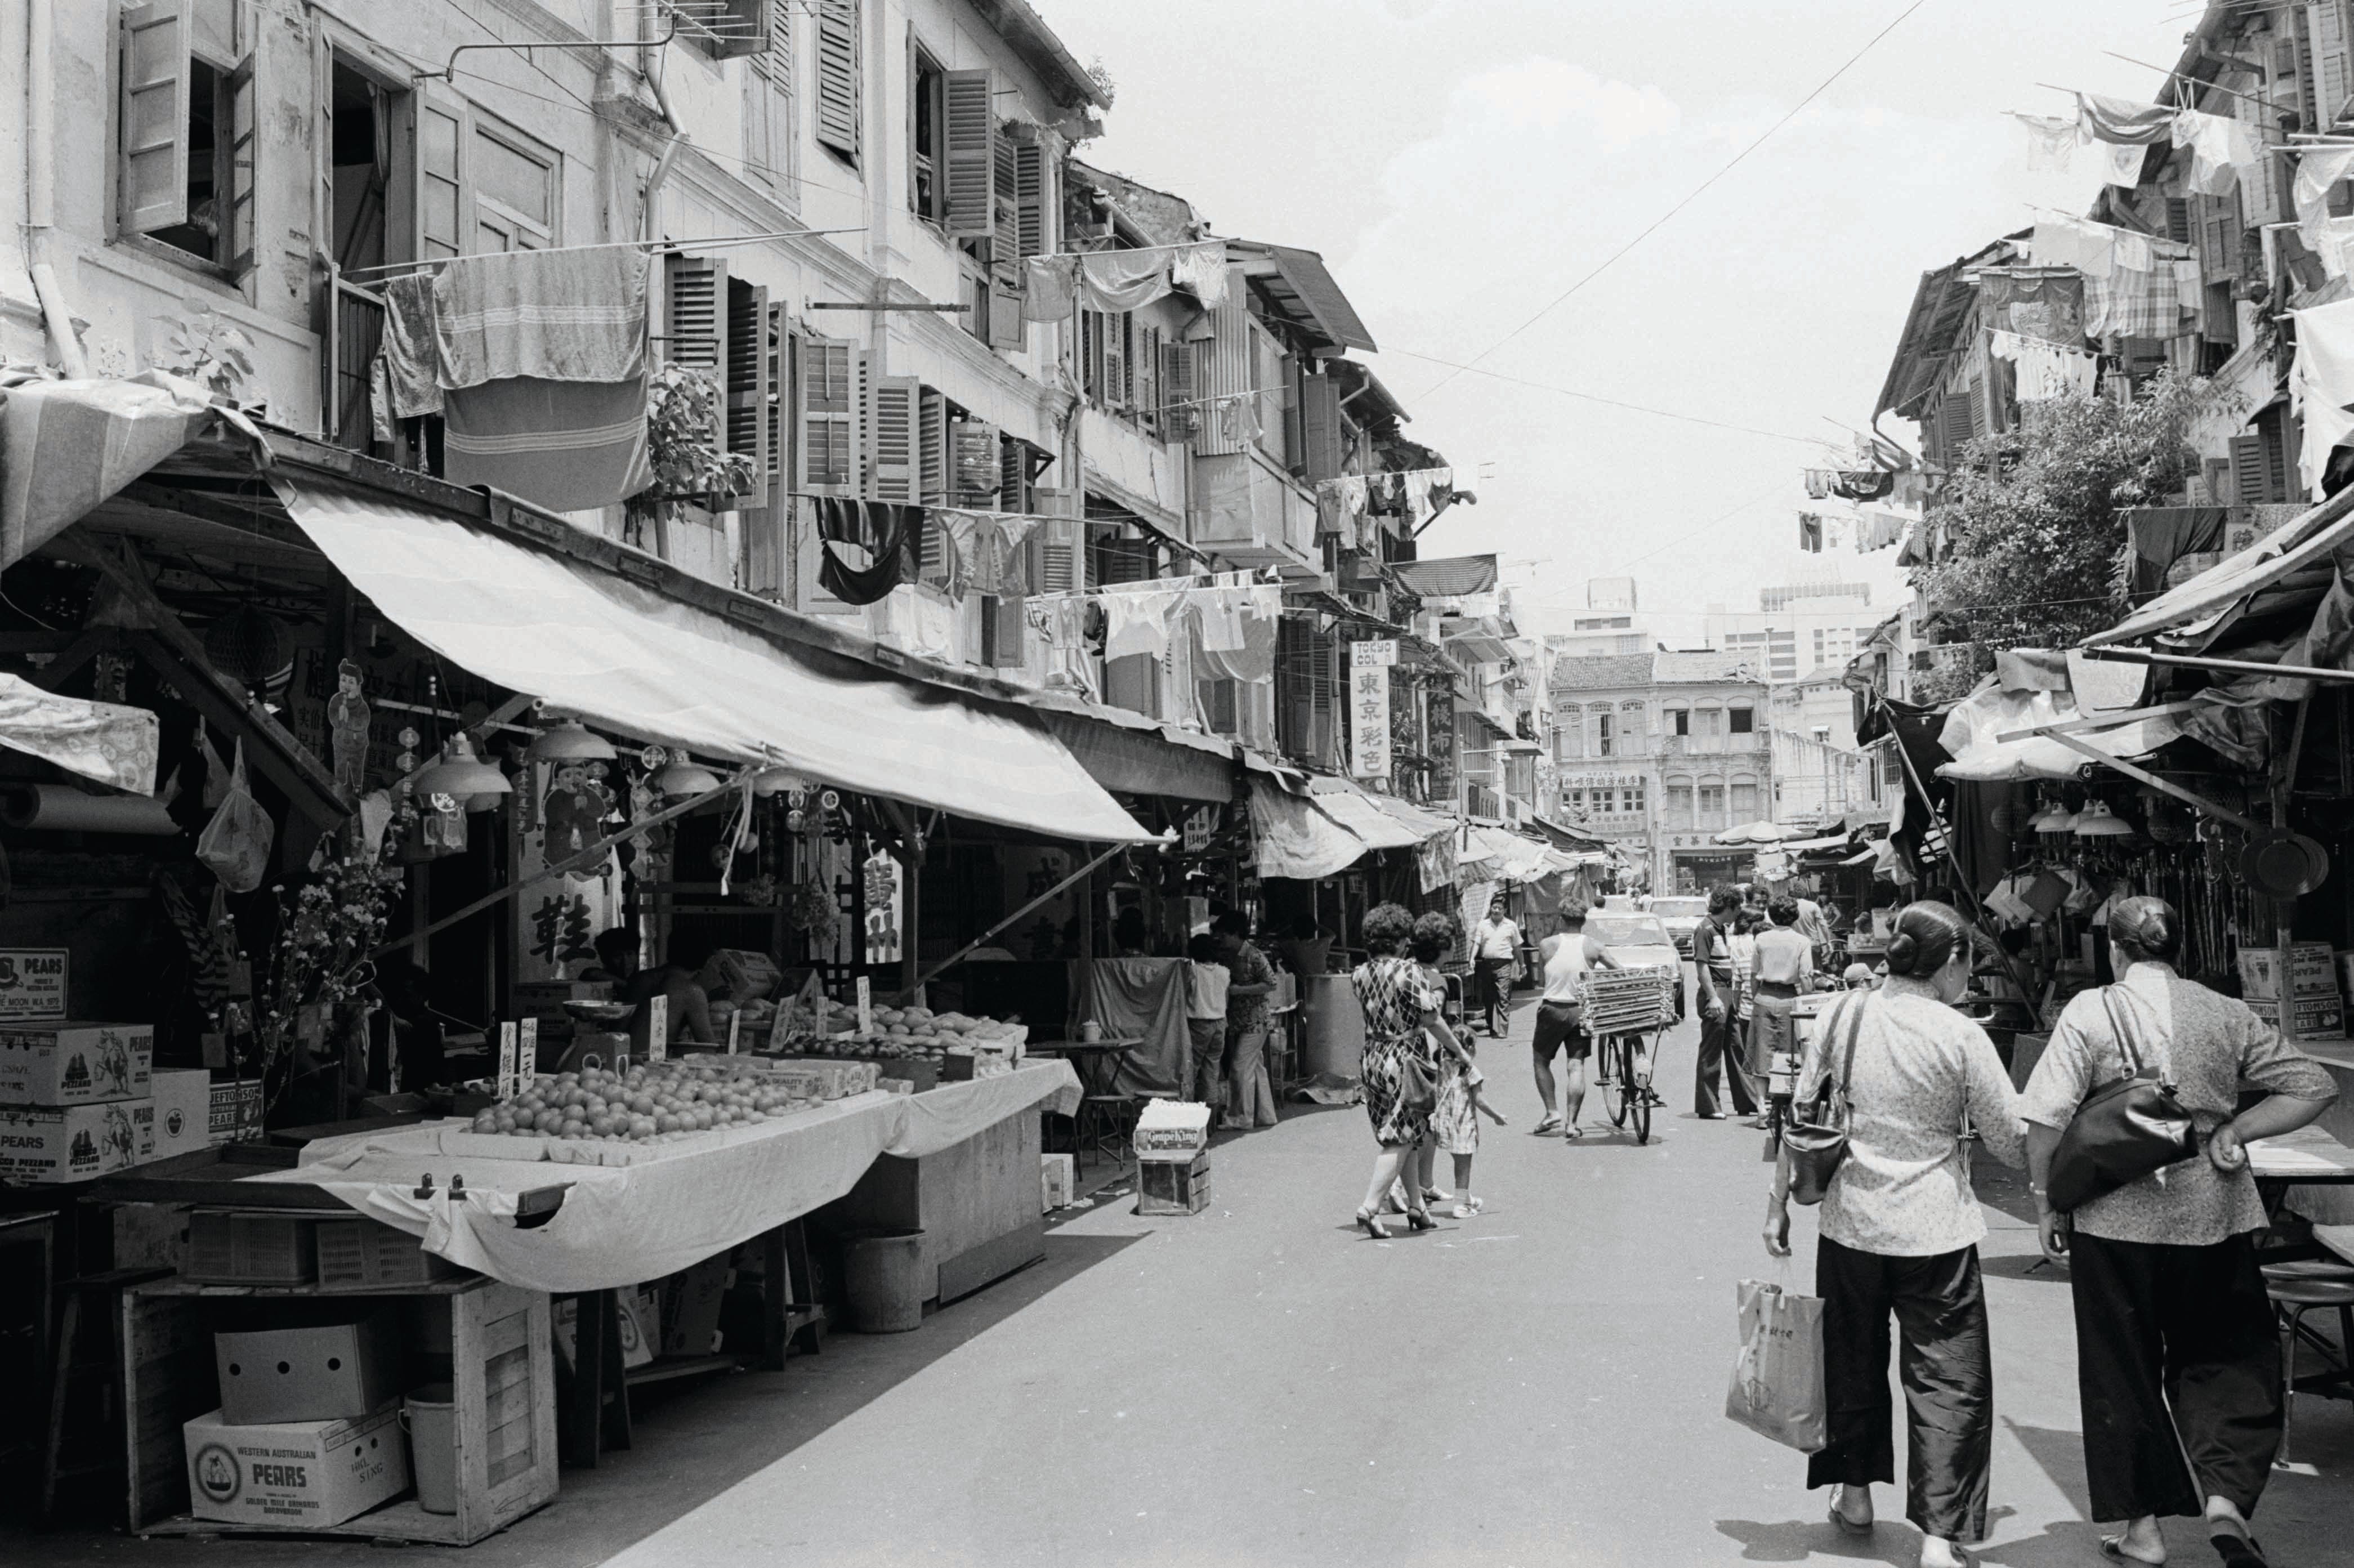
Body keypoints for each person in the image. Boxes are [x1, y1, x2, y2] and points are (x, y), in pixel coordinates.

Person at [2021, 896, 2339, 1568]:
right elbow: (2310, 1084)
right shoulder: (2224, 1010)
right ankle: (2224, 1499)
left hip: (2112, 1221)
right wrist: (2234, 1129)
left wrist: (2045, 1202)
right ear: (2177, 948)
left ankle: (2143, 1530)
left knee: (2120, 1371)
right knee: (2225, 1356)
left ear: (2116, 950)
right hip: (2213, 1216)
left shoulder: (2090, 1010)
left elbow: (2045, 1116)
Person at [1765, 901, 2025, 1568]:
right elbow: (2008, 1137)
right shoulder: (1959, 1033)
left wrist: (1776, 1206)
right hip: (1935, 1228)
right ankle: (1938, 1535)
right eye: (1968, 963)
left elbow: (1800, 1115)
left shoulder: (1840, 1013)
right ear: (1950, 963)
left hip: (1851, 1222)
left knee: (1851, 1360)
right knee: (1947, 1378)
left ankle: (1854, 1496)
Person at [1351, 903, 1472, 1238]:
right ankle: (1370, 1206)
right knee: (1400, 1138)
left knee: (1408, 1134)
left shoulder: (1359, 973)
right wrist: (1459, 1051)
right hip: (1405, 1058)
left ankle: (1417, 1206)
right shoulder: (1408, 973)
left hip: (1372, 1056)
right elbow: (1431, 1018)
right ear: (1402, 940)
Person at [1410, 911, 1507, 1216]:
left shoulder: (1408, 972)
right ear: (1443, 949)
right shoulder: (1438, 981)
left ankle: (1422, 1184)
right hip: (1426, 1061)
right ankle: (1415, 1190)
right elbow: (1433, 1022)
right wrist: (1459, 1055)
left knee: (1420, 1128)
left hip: (1402, 1056)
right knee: (1422, 1127)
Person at [1527, 900, 1622, 1138]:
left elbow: (1541, 982)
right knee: (1576, 1066)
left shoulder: (1547, 945)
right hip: (1581, 1011)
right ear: (1584, 921)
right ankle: (1571, 1124)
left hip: (1552, 1009)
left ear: (1561, 919)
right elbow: (1619, 971)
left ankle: (1552, 1112)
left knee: (1541, 1061)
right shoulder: (1594, 946)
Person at [1691, 887, 1756, 1120]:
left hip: (1727, 991)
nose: (1739, 913)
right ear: (1729, 907)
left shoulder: (1721, 929)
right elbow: (1702, 967)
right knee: (1712, 1049)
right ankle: (1709, 1105)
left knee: (1736, 1045)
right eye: (1737, 908)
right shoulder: (1705, 930)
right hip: (1717, 991)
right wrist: (1713, 997)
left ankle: (1746, 1100)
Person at [1747, 896, 1817, 1097]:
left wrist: (1757, 997)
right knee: (1790, 1054)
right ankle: (1786, 1102)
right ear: (1794, 917)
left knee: (1761, 1053)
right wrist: (1807, 1002)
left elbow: (1754, 975)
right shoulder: (1802, 941)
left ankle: (1761, 1106)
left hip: (1764, 996)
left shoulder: (1761, 939)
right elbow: (1806, 977)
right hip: (1790, 1001)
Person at [1214, 912, 1280, 1130]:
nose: (1221, 940)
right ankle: (1265, 1115)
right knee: (1255, 1068)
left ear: (1235, 934)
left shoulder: (1255, 956)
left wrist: (1240, 991)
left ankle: (1241, 1117)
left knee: (1239, 1068)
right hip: (1241, 1021)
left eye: (1224, 936)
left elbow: (1271, 983)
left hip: (1256, 1021)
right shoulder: (1229, 956)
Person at [619, 933, 717, 1053]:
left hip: (617, 1056)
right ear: (707, 960)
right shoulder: (691, 991)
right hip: (648, 1063)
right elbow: (708, 1046)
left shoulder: (639, 978)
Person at [1183, 933, 1230, 1125]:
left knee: (1190, 1069)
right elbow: (1226, 998)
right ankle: (1211, 1122)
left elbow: (1185, 995)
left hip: (1198, 1024)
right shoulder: (1224, 972)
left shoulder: (1193, 972)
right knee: (1212, 1070)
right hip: (1220, 1023)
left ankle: (1189, 1118)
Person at [1471, 895, 1523, 1036]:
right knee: (1488, 998)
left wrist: (1522, 965)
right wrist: (1471, 958)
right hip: (1486, 965)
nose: (1497, 910)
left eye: (1500, 908)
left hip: (1504, 965)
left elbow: (1517, 947)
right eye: (1494, 907)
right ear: (1491, 908)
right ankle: (1491, 1026)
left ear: (1505, 910)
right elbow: (1477, 943)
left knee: (1503, 996)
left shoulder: (1511, 926)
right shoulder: (1483, 925)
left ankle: (1502, 1030)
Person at [1275, 914, 1334, 979]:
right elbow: (1332, 934)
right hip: (1323, 982)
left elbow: (1277, 937)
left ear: (1295, 931)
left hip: (1305, 984)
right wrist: (1317, 925)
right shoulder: (1322, 943)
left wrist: (1290, 925)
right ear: (1315, 930)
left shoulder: (1293, 946)